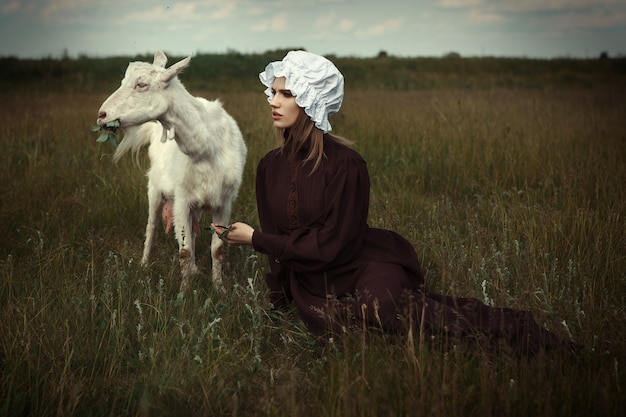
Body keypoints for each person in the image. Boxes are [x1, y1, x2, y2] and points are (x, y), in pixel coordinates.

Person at [215, 50, 579, 355]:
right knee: (335, 323)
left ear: (312, 101)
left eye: (288, 94)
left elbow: (333, 244)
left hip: (360, 261)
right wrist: (278, 301)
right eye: (274, 92)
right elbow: (280, 246)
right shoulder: (269, 167)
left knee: (387, 308)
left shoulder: (347, 165)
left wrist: (255, 239)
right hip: (313, 280)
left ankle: (519, 333)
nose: (274, 102)